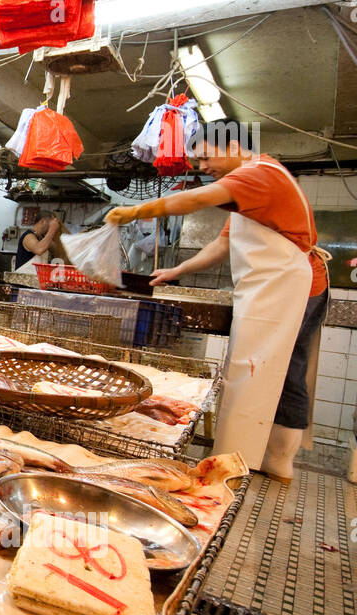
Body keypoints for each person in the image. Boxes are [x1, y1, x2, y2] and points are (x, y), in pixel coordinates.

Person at [105, 121, 330, 481]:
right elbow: (222, 245)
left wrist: (135, 211)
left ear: (233, 147)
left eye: (205, 157)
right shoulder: (253, 183)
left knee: (284, 372)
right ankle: (241, 455)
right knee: (254, 369)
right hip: (272, 289)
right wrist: (176, 269)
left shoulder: (259, 175)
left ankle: (278, 460)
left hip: (295, 289)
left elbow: (195, 200)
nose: (202, 167)